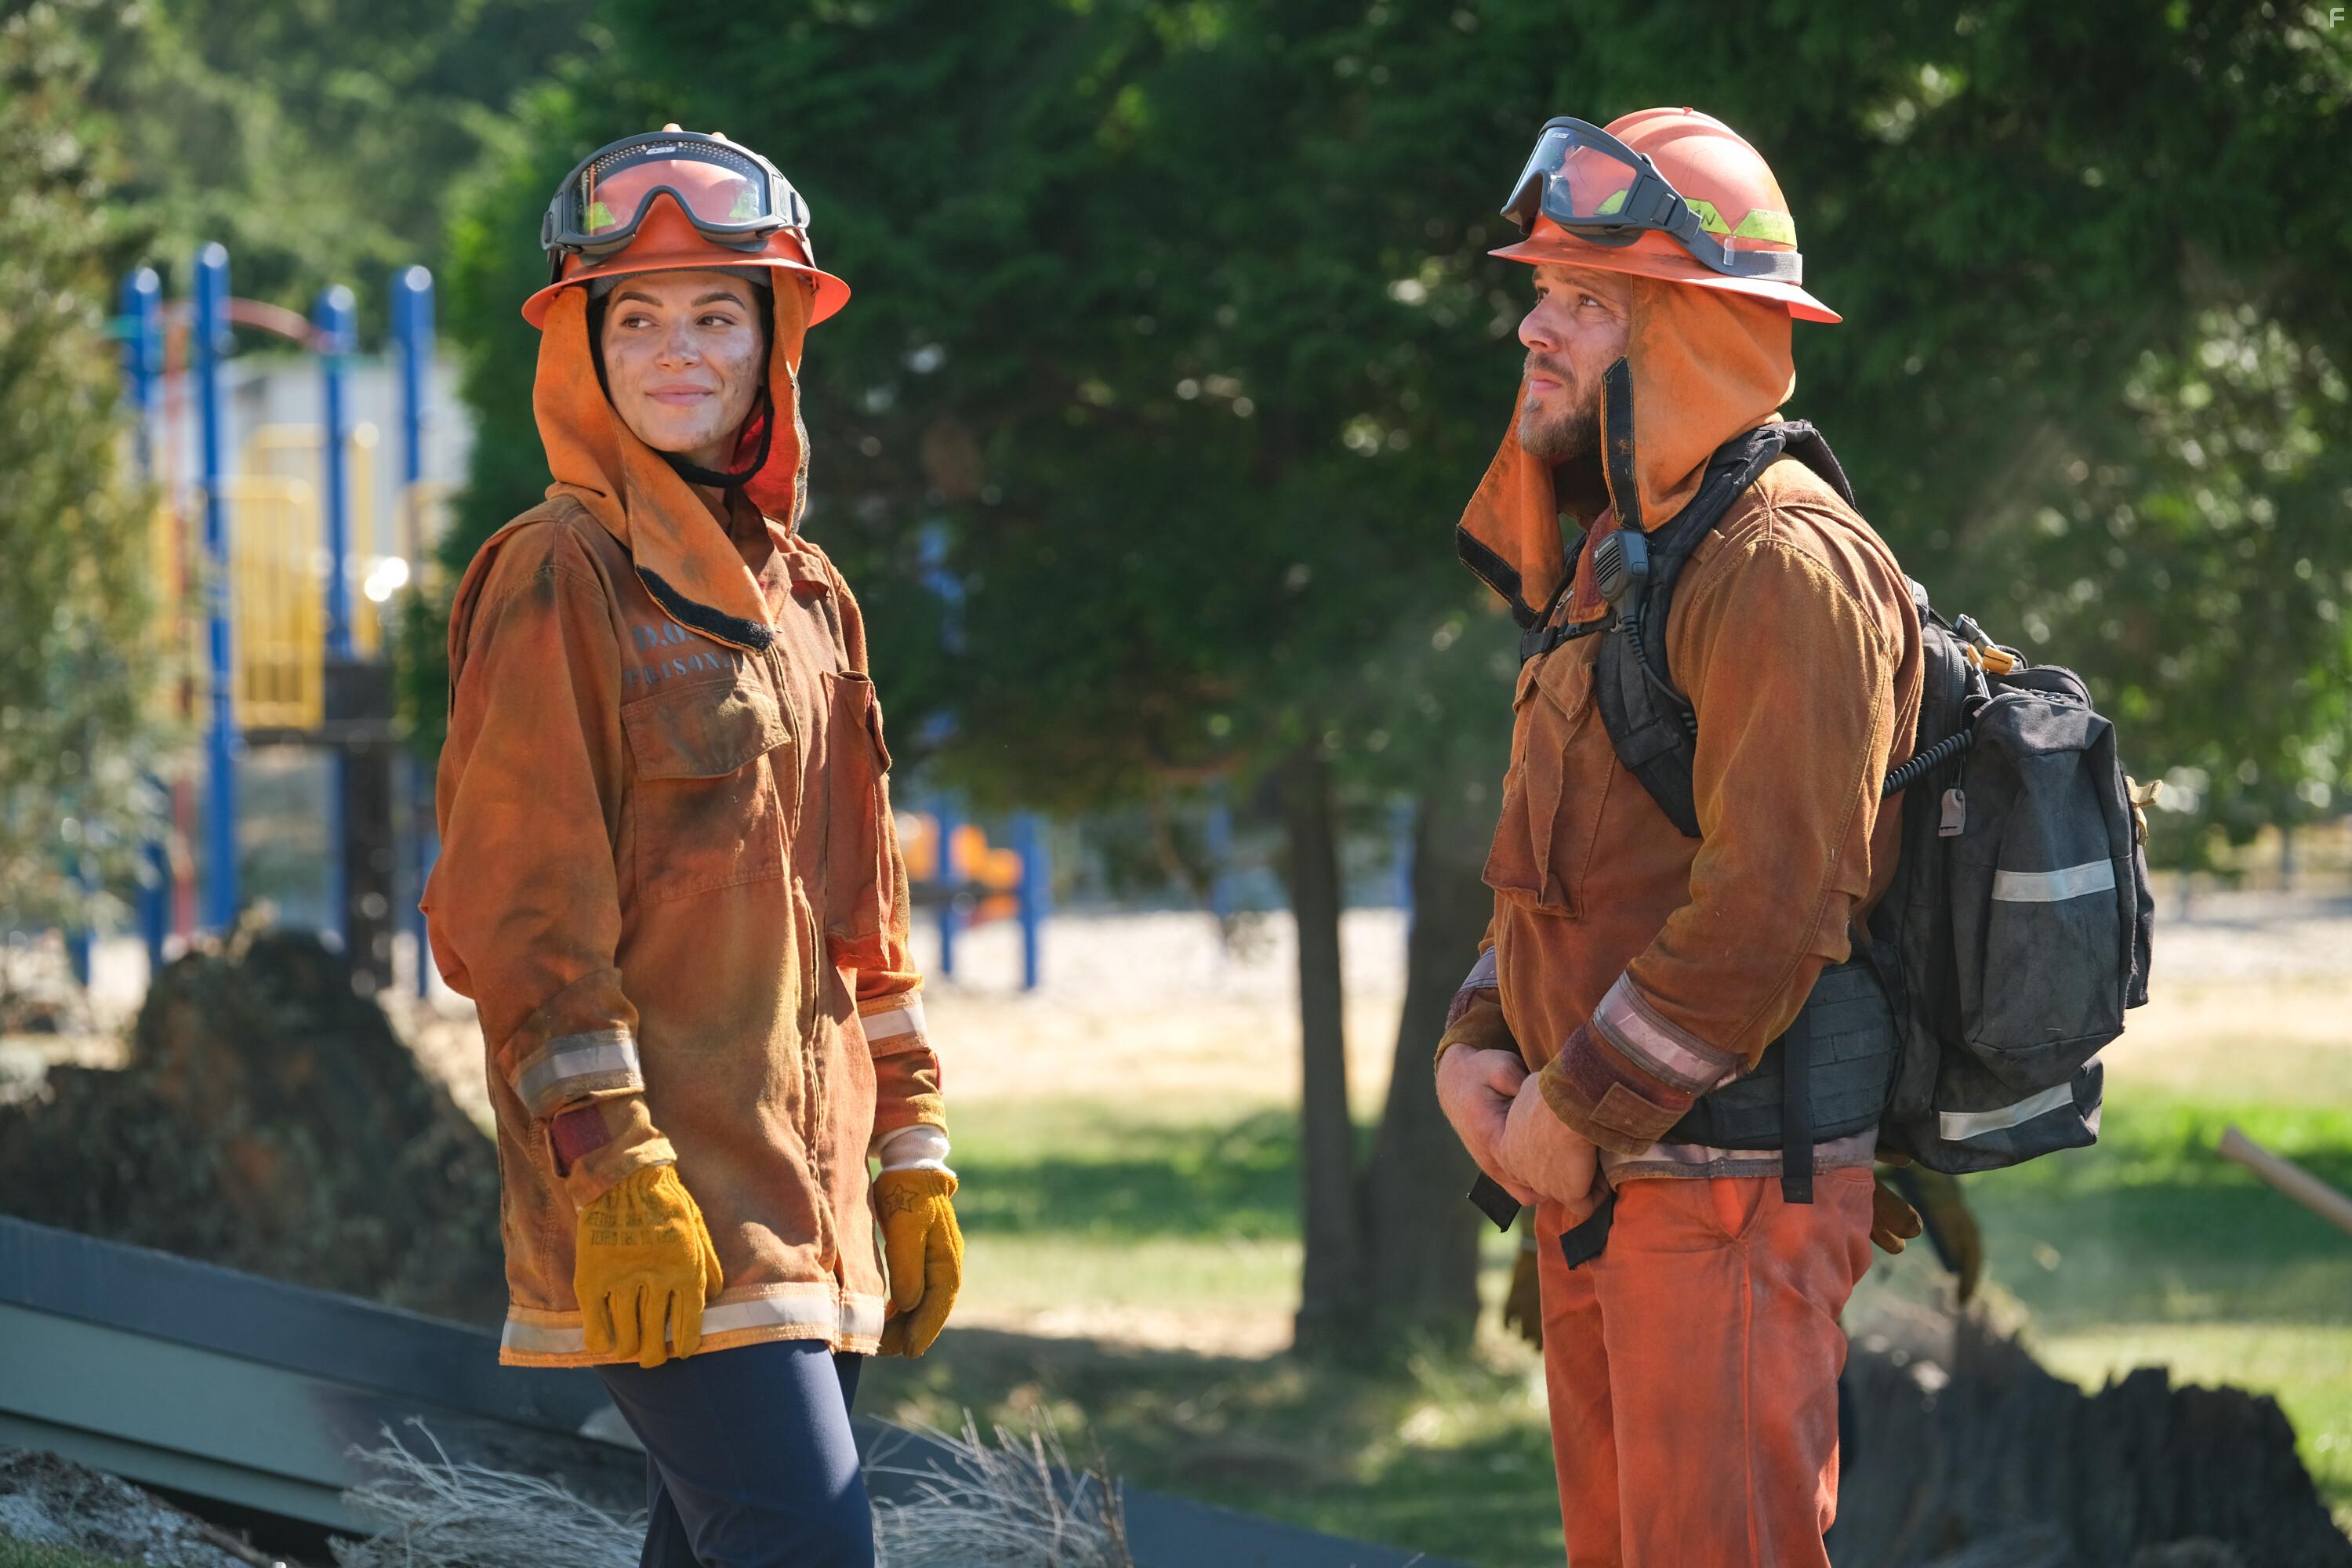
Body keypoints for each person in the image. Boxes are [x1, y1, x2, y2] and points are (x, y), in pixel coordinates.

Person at [421, 125, 960, 1568]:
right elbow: (522, 922)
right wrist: (620, 1173)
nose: (678, 351)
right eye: (638, 318)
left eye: (718, 315)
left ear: (774, 343)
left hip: (811, 1207)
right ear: (582, 348)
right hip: (664, 1207)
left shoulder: (810, 600)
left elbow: (864, 918)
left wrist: (911, 1151)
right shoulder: (557, 575)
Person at [1432, 108, 1926, 1565]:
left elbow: (1769, 910)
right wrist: (1480, 1034)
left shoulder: (1782, 566)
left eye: (1589, 303)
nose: (1535, 327)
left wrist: (1571, 1109)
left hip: (1722, 1197)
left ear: (1696, 339)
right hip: (1606, 1183)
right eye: (1545, 290)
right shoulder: (1624, 560)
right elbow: (1565, 866)